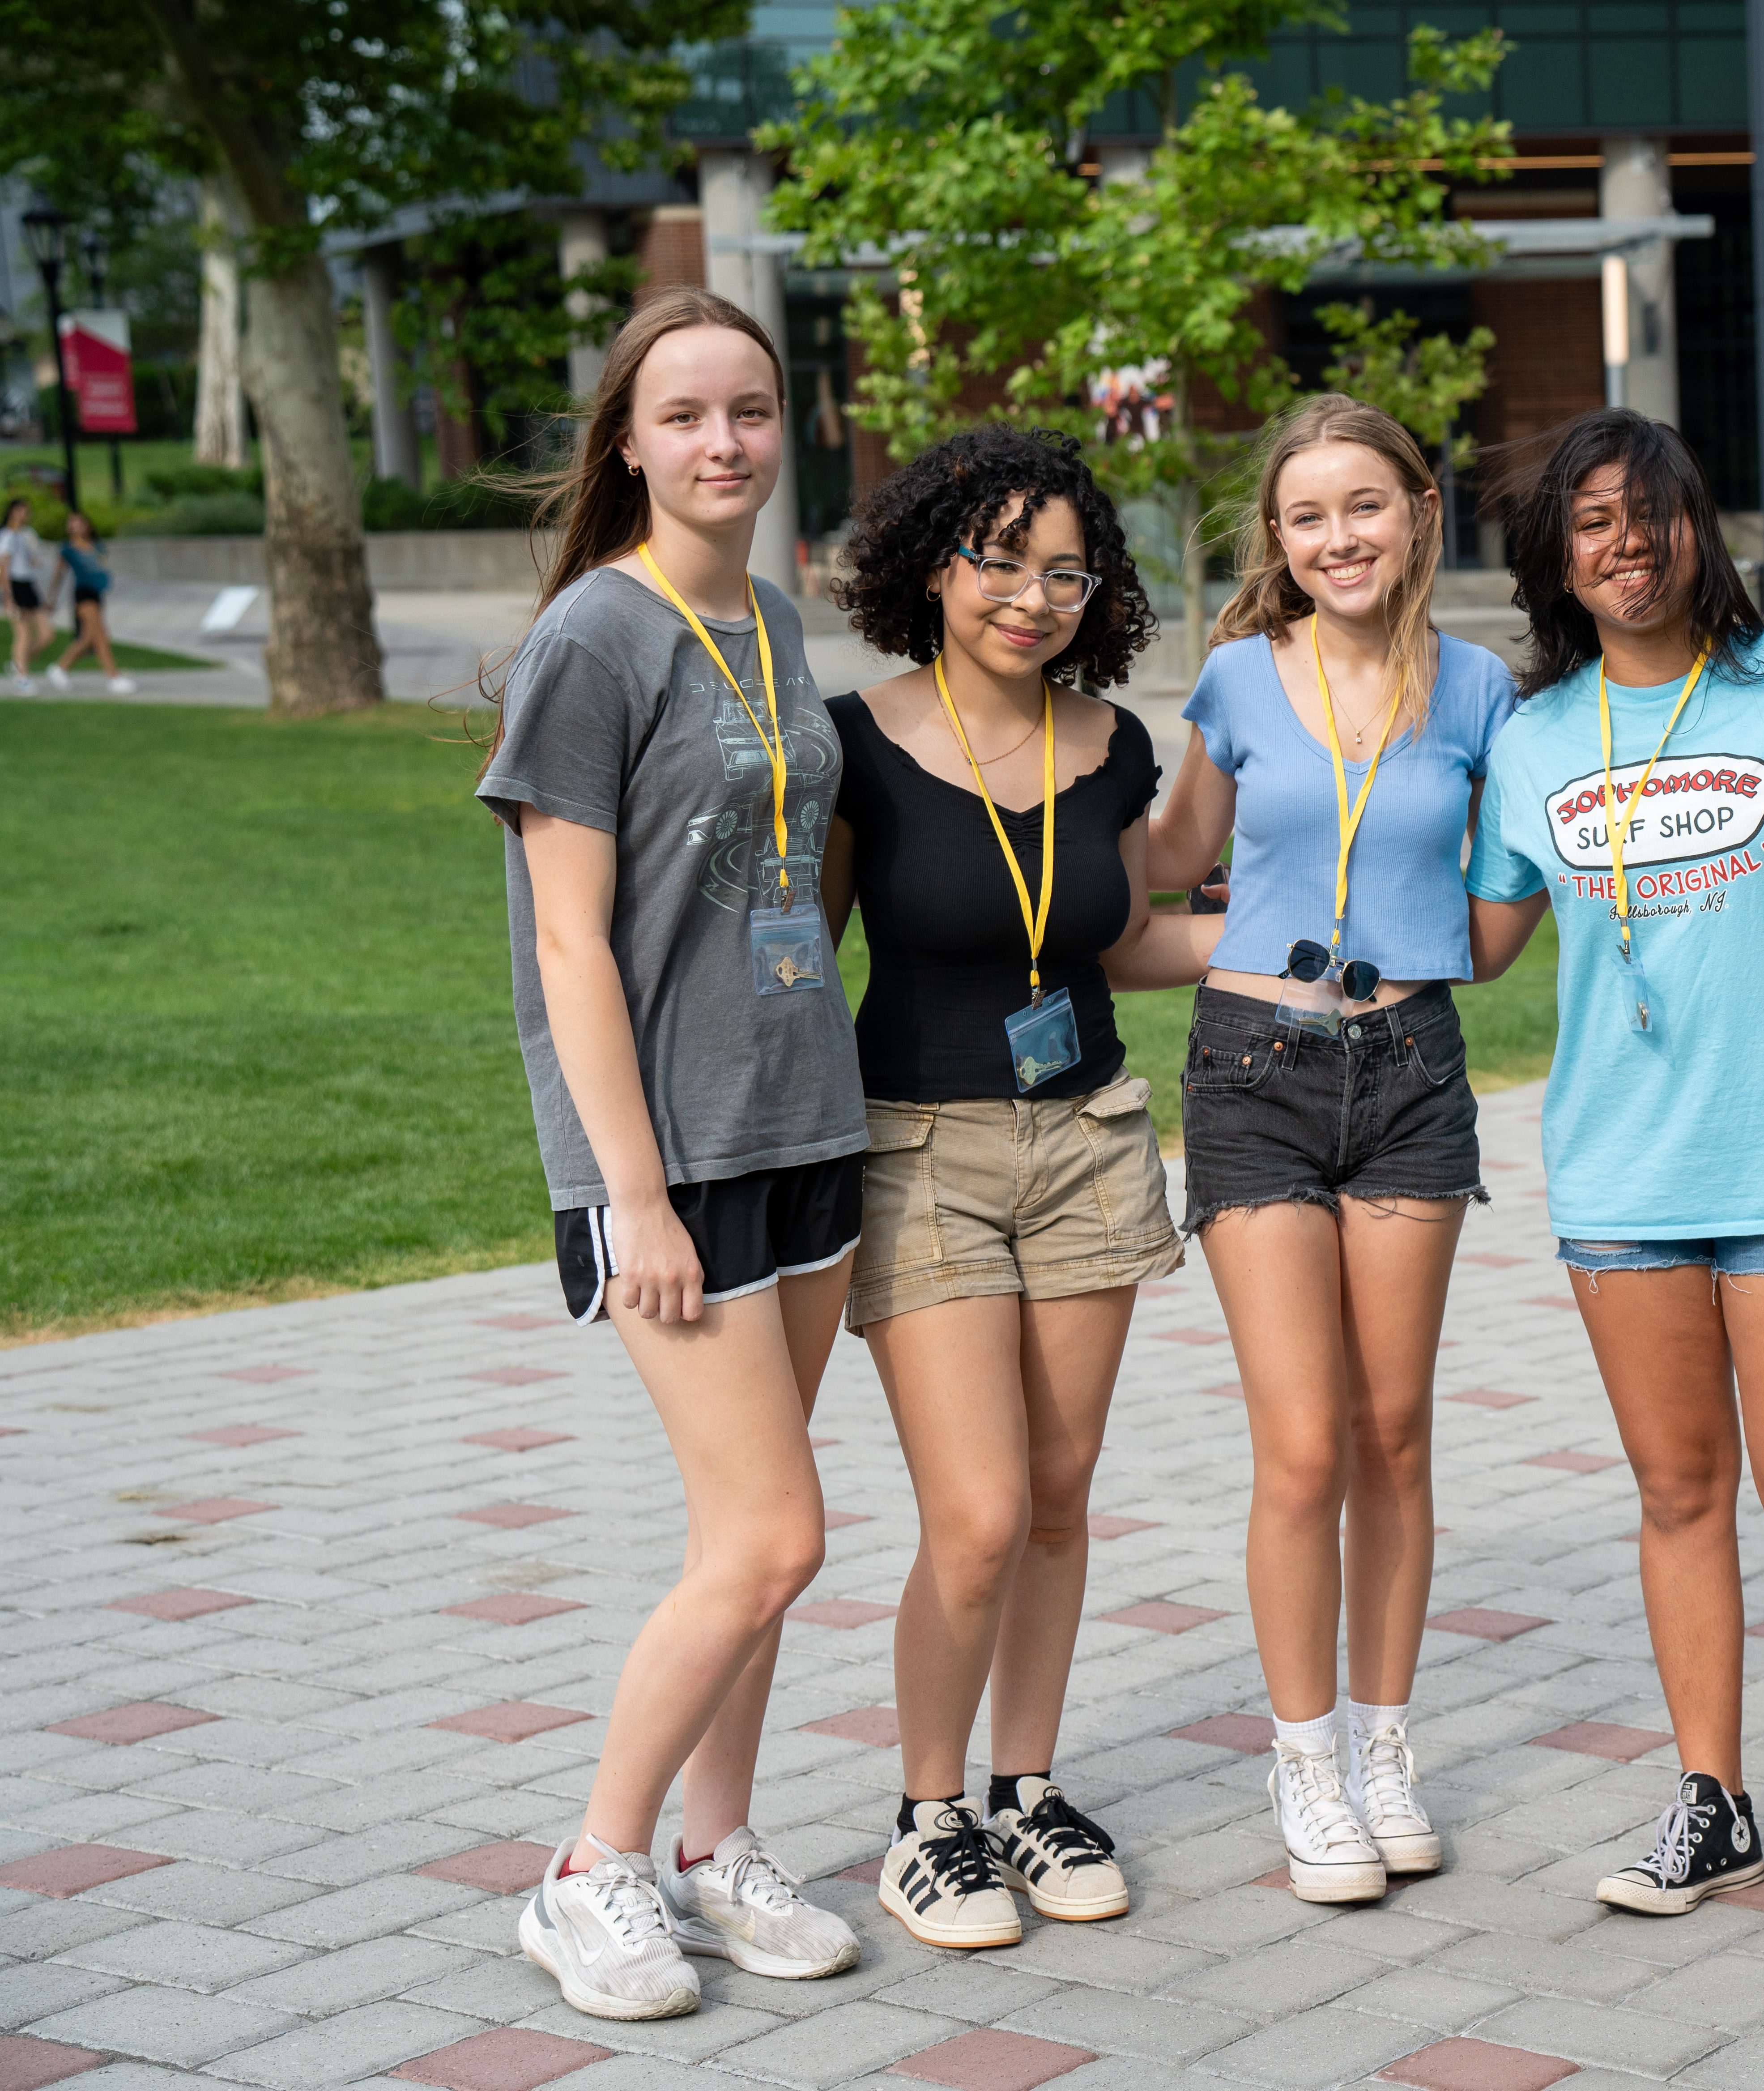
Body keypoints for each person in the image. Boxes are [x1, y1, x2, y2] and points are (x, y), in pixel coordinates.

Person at [1461, 408, 1764, 1918]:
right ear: (1554, 555)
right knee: (1678, 1496)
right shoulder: (1531, 737)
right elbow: (1478, 942)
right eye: (1588, 522)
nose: (1621, 544)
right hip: (1620, 1178)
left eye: (1648, 516)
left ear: (1696, 533)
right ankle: (1708, 1799)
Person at [477, 285, 864, 2021]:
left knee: (746, 1538)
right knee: (773, 1535)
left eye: (753, 411)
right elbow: (568, 948)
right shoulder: (591, 641)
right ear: (627, 440)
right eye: (688, 413)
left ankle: (717, 1850)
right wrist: (627, 1189)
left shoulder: (777, 619)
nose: (725, 443)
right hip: (671, 1162)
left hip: (802, 1125)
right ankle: (590, 1868)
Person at [818, 425, 1192, 1946]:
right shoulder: (851, 741)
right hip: (918, 1147)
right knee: (973, 1513)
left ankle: (1026, 1788)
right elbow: (800, 962)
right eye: (996, 560)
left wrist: (1295, 969)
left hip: (1090, 1135)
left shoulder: (1114, 747)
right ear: (931, 562)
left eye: (1062, 571)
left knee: (1053, 1499)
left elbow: (1128, 941)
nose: (1027, 597)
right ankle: (927, 1816)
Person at [1147, 394, 1515, 1904]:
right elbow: (1166, 861)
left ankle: (1381, 1744)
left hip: (1412, 1067)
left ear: (1416, 512)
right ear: (1278, 543)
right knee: (1303, 1444)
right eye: (1306, 517)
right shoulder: (1236, 679)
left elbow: (1497, 925)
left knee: (1394, 1433)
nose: (1336, 538)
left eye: (1362, 506)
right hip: (1252, 1068)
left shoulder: (1484, 689)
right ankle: (1302, 1764)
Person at [47, 508, 134, 693]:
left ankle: (60, 668)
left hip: (97, 595)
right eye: (72, 524)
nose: (76, 527)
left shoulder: (97, 546)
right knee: (101, 635)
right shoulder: (68, 550)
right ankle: (113, 678)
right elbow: (59, 575)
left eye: (79, 523)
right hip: (83, 595)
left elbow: (103, 570)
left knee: (88, 638)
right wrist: (52, 598)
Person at [4, 498, 50, 693]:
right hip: (15, 586)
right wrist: (7, 595)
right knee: (23, 633)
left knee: (47, 634)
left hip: (29, 585)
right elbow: (2, 568)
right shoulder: (7, 536)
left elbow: (33, 564)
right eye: (22, 510)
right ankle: (22, 677)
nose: (25, 514)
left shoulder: (28, 534)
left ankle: (18, 665)